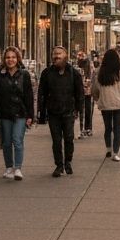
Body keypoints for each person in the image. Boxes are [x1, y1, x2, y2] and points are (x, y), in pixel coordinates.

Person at [37, 46, 84, 176]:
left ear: (66, 56)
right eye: (54, 54)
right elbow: (42, 93)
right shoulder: (47, 73)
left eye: (59, 54)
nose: (56, 56)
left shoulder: (74, 73)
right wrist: (41, 111)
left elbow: (80, 93)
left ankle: (68, 161)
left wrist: (78, 110)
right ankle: (59, 165)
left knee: (69, 138)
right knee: (56, 140)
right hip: (53, 112)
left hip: (69, 111)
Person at [0, 47, 34, 179]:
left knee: (17, 140)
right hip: (4, 112)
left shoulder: (24, 74)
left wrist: (30, 115)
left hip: (20, 112)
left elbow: (29, 95)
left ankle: (18, 168)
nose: (10, 60)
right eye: (8, 57)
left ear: (18, 58)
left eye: (13, 57)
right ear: (4, 59)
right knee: (7, 142)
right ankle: (9, 167)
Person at [92, 47, 120, 161]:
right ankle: (115, 153)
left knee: (107, 128)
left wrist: (97, 99)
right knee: (117, 128)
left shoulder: (100, 71)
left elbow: (95, 88)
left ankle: (108, 149)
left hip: (105, 104)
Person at [76, 49, 95, 138]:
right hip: (82, 90)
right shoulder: (78, 64)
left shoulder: (88, 64)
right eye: (78, 55)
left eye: (81, 55)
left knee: (87, 109)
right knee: (82, 109)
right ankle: (83, 128)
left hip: (88, 90)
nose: (79, 57)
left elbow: (91, 77)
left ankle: (88, 128)